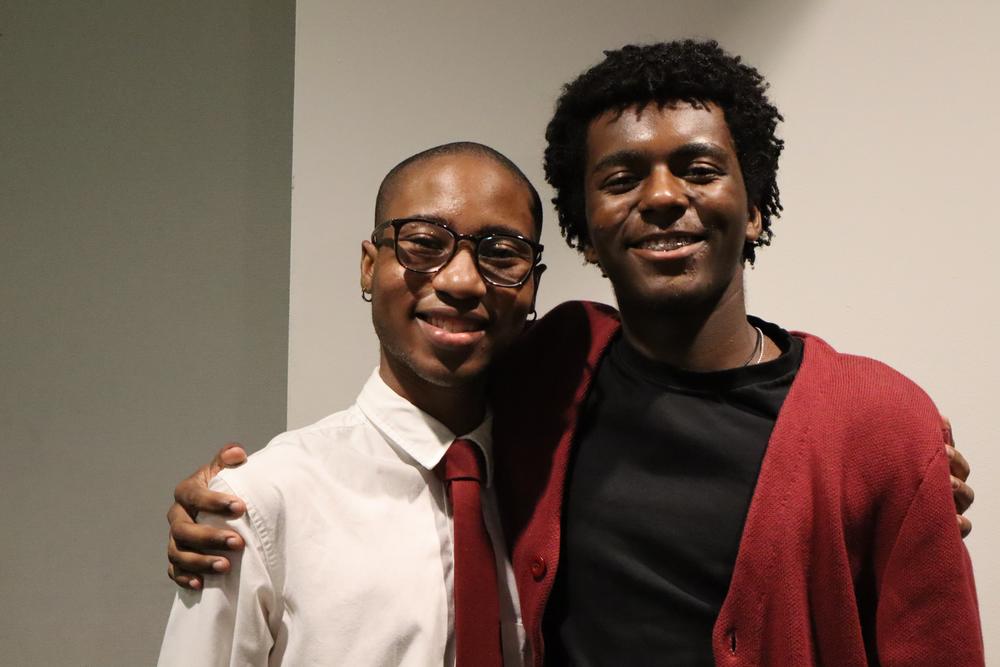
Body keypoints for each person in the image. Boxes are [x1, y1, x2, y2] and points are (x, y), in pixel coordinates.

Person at [165, 41, 982, 665]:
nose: (664, 198)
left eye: (698, 167)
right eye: (622, 178)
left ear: (758, 205)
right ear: (586, 233)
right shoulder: (552, 371)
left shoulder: (874, 423)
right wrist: (231, 499)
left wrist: (905, 468)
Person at [158, 142, 545, 665]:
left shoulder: (560, 492)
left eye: (502, 254)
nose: (461, 281)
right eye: (424, 243)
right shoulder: (263, 504)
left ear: (533, 286)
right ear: (369, 267)